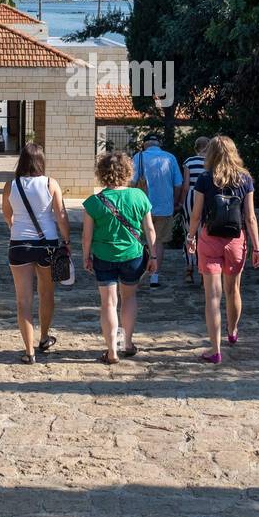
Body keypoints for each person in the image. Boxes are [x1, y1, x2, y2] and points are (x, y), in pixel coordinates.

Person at [185, 135, 259, 364]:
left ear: (211, 154)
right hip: (235, 240)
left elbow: (196, 215)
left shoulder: (205, 179)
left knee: (212, 297)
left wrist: (190, 236)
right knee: (233, 290)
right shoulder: (245, 179)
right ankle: (233, 331)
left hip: (209, 238)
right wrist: (257, 248)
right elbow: (250, 217)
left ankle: (215, 349)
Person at [83, 151, 156, 364]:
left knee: (108, 303)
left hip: (103, 256)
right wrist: (153, 256)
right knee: (129, 298)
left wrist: (86, 257)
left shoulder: (94, 202)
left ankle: (111, 351)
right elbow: (150, 230)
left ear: (102, 173)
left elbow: (87, 236)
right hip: (132, 255)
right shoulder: (139, 197)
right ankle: (128, 343)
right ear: (127, 172)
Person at [1, 143, 71, 364]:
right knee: (47, 294)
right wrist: (67, 240)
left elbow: (6, 214)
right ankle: (43, 337)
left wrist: (16, 228)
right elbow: (61, 215)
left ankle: (28, 351)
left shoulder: (10, 185)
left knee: (23, 301)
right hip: (47, 244)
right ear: (41, 161)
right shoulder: (51, 183)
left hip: (19, 244)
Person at [129, 134, 182, 288]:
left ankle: (137, 271)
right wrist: (175, 202)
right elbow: (178, 184)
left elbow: (131, 182)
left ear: (145, 144)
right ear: (159, 144)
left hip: (140, 207)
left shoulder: (138, 157)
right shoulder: (170, 158)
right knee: (158, 242)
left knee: (138, 240)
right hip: (164, 207)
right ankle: (154, 276)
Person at [175, 136, 210, 286]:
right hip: (206, 198)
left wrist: (181, 202)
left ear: (195, 147)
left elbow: (185, 185)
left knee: (189, 233)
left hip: (190, 198)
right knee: (205, 234)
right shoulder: (211, 162)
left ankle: (189, 269)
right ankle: (203, 271)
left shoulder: (189, 162)